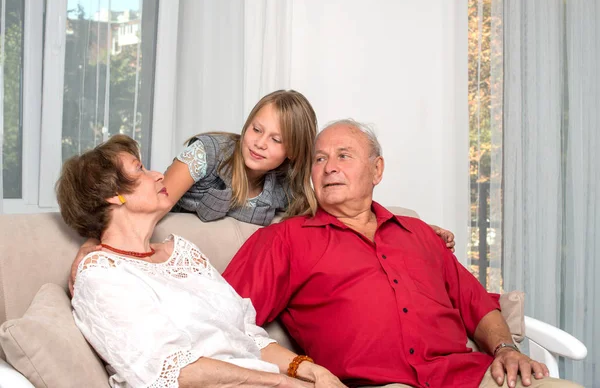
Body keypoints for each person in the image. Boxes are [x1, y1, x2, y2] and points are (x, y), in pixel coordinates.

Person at [221, 120, 582, 388]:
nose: (329, 167)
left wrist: (505, 348)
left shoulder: (420, 234)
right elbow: (220, 317)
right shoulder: (285, 239)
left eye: (343, 156)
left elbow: (476, 304)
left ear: (376, 170)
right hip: (376, 384)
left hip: (470, 376)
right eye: (319, 159)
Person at [70, 91, 455, 292]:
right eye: (256, 129)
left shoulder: (286, 186)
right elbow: (149, 201)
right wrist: (92, 245)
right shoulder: (207, 152)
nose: (259, 144)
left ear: (292, 153)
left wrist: (410, 227)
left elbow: (345, 209)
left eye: (276, 140)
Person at [56, 135, 346, 388]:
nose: (158, 175)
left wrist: (311, 371)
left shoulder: (183, 253)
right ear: (112, 196)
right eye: (139, 169)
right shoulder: (102, 276)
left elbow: (247, 335)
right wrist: (283, 382)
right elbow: (173, 372)